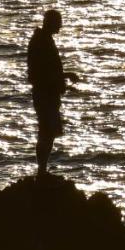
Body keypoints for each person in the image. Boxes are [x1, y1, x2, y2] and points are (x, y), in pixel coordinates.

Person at [27, 9, 78, 177]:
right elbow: (41, 73)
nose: (61, 26)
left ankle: (42, 170)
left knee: (47, 132)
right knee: (46, 132)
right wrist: (63, 76)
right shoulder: (41, 42)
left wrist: (64, 76)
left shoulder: (43, 40)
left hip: (47, 93)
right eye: (58, 22)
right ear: (50, 22)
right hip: (45, 95)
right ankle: (41, 171)